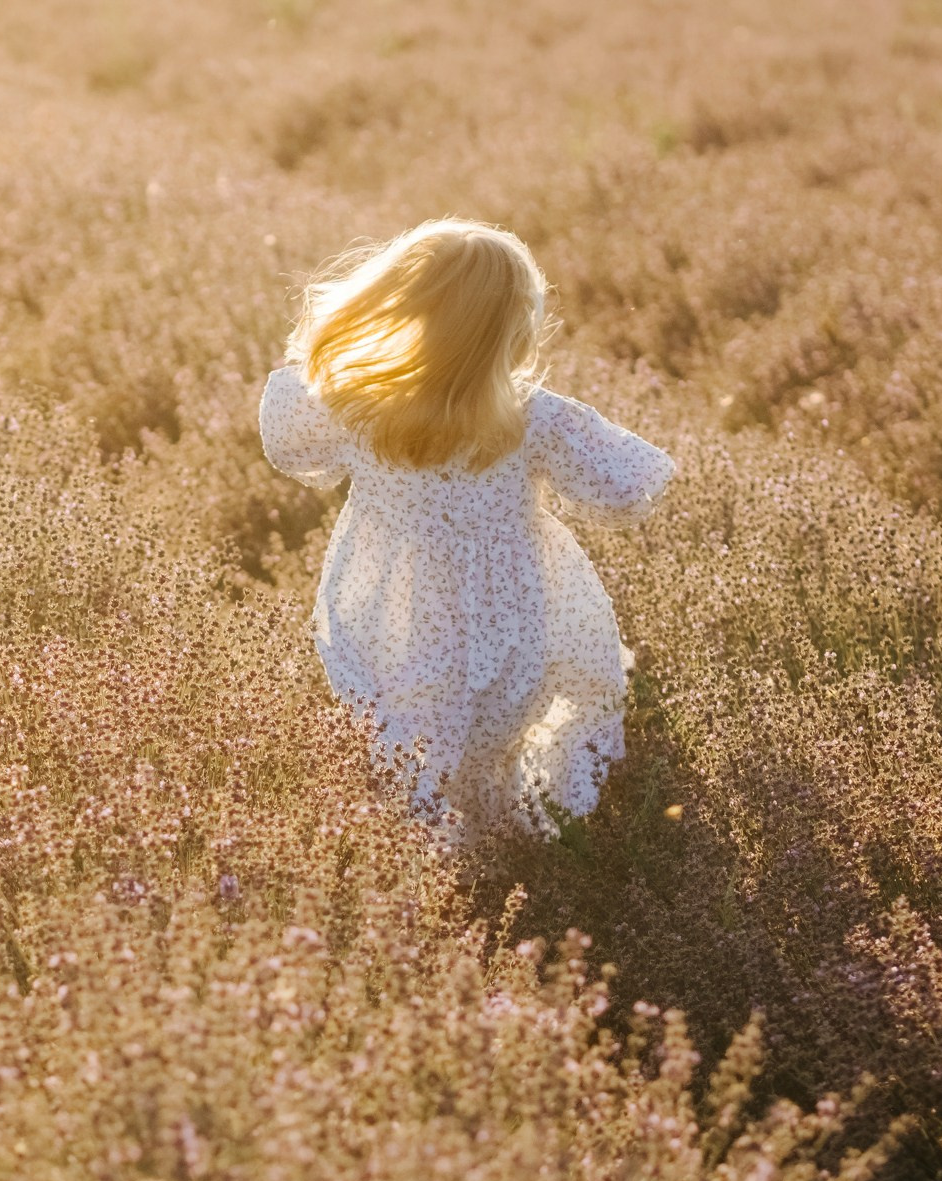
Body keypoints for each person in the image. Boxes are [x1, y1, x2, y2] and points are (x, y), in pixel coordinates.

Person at [260, 218, 675, 839]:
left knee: (406, 737)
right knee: (493, 748)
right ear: (512, 331)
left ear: (404, 308)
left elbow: (288, 443)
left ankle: (425, 862)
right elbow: (627, 493)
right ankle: (506, 855)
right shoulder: (535, 419)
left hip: (391, 614)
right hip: (503, 622)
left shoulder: (354, 405)